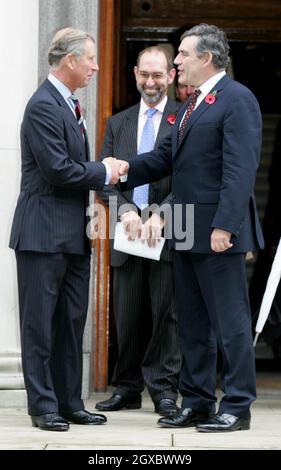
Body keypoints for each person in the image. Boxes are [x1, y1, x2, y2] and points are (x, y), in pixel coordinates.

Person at [118, 24, 264, 432]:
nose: (175, 61)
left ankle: (237, 405)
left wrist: (226, 226)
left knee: (230, 324)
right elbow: (163, 158)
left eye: (182, 54)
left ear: (207, 58)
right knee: (193, 324)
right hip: (184, 232)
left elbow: (240, 169)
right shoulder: (189, 106)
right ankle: (197, 400)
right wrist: (122, 169)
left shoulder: (238, 100)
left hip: (216, 235)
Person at [9, 27, 124, 431]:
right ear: (70, 61)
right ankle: (43, 407)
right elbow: (57, 170)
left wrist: (103, 182)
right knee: (39, 324)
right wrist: (105, 170)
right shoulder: (42, 106)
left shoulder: (70, 106)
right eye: (90, 59)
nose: (95, 66)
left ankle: (70, 402)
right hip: (42, 234)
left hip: (75, 236)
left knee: (71, 323)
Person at [95, 46, 182, 416]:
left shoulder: (185, 119)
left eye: (158, 75)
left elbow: (191, 176)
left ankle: (163, 390)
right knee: (127, 315)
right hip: (128, 233)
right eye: (145, 75)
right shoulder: (118, 123)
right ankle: (128, 387)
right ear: (134, 74)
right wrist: (127, 212)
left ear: (171, 76)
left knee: (167, 313)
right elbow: (104, 180)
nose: (151, 82)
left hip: (171, 229)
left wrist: (161, 214)